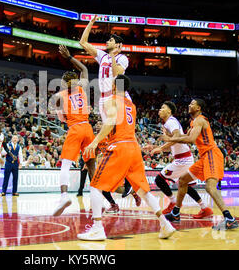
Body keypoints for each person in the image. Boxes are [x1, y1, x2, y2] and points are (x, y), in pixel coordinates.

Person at [77, 75, 175, 240]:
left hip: (120, 146)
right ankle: (165, 224)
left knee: (95, 186)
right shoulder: (132, 105)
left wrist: (94, 142)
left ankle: (97, 228)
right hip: (133, 148)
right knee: (143, 191)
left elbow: (110, 122)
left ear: (114, 85)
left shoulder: (112, 99)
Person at [79, 17, 141, 211]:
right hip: (103, 98)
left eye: (111, 41)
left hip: (119, 95)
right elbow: (82, 42)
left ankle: (132, 182)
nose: (107, 42)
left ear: (119, 45)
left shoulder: (122, 57)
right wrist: (90, 23)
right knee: (112, 140)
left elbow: (117, 74)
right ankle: (128, 183)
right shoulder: (101, 56)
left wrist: (114, 54)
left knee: (122, 137)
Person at [160, 98, 239, 230]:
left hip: (211, 154)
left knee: (210, 187)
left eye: (192, 104)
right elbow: (184, 138)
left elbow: (190, 139)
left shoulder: (200, 120)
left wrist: (170, 138)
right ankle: (176, 213)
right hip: (204, 157)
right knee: (183, 180)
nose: (189, 105)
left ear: (198, 108)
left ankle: (230, 219)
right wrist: (170, 138)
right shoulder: (193, 122)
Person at [50, 45, 97, 216]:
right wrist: (69, 57)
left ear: (63, 83)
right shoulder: (82, 88)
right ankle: (97, 197)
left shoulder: (59, 96)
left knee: (66, 164)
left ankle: (64, 196)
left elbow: (61, 117)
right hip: (88, 128)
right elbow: (84, 68)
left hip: (75, 128)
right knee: (91, 165)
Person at [144, 101, 212, 219]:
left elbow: (176, 138)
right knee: (186, 185)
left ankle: (173, 202)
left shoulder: (171, 122)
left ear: (169, 111)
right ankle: (205, 207)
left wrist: (160, 148)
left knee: (159, 179)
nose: (159, 110)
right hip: (184, 157)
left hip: (183, 159)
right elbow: (173, 142)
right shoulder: (169, 122)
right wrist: (155, 147)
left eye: (162, 107)